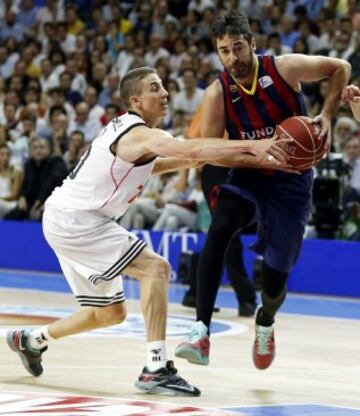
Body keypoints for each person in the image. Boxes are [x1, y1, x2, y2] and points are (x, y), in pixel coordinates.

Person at [6, 67, 291, 397]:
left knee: (110, 313)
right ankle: (156, 368)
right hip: (78, 220)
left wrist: (238, 155)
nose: (165, 93)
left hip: (70, 218)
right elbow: (191, 151)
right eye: (155, 88)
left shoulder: (135, 138)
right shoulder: (138, 133)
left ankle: (30, 340)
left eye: (164, 85)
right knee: (156, 269)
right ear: (136, 100)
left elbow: (176, 161)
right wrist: (252, 146)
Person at [175, 10, 350, 369]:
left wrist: (327, 115)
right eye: (224, 50)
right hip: (248, 175)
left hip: (292, 182)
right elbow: (209, 151)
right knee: (220, 226)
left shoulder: (283, 68)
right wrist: (253, 155)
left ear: (252, 44)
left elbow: (340, 68)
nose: (232, 57)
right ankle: (200, 331)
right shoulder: (218, 93)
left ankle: (265, 320)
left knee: (273, 285)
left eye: (238, 47)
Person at [182, 104, 258, 317]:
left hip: (247, 167)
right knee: (227, 232)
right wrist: (182, 177)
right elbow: (193, 140)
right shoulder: (214, 96)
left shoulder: (254, 95)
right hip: (216, 168)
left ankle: (195, 292)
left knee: (219, 234)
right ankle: (246, 297)